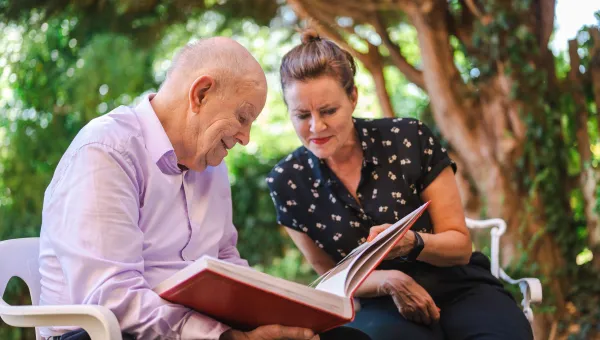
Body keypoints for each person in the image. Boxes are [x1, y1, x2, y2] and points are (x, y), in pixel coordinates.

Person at [39, 37, 369, 340]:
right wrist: (224, 337)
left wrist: (271, 313)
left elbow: (225, 259)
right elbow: (112, 299)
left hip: (190, 326)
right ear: (200, 94)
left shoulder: (210, 164)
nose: (245, 138)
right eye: (243, 117)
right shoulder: (106, 151)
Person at [266, 29, 534, 340]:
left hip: (461, 288)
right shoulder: (286, 181)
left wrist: (412, 243)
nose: (317, 127)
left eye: (328, 111)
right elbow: (330, 277)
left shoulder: (408, 138)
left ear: (353, 97)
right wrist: (388, 280)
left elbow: (460, 247)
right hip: (380, 306)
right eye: (301, 115)